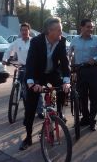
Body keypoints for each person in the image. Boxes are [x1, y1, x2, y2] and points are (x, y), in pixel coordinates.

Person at [19, 17, 70, 150]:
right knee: (31, 106)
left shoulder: (61, 41)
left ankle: (59, 113)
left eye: (61, 30)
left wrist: (67, 81)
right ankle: (28, 137)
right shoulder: (36, 41)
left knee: (62, 88)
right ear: (49, 31)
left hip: (52, 72)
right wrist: (31, 83)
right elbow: (30, 62)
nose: (61, 33)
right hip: (37, 74)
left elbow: (65, 62)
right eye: (59, 30)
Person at [70, 19, 97, 131]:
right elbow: (70, 54)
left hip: (93, 71)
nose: (90, 29)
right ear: (81, 27)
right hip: (80, 71)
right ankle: (85, 118)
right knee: (82, 97)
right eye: (88, 27)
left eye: (91, 27)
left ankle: (92, 119)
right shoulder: (75, 40)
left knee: (95, 97)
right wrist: (70, 68)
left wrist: (95, 59)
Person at [2, 22, 44, 118]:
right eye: (22, 30)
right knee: (23, 89)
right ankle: (26, 105)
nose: (24, 32)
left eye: (26, 30)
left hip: (33, 68)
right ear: (20, 32)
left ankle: (40, 110)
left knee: (36, 89)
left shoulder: (34, 41)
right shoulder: (17, 42)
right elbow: (9, 50)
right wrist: (5, 59)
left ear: (29, 31)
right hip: (22, 67)